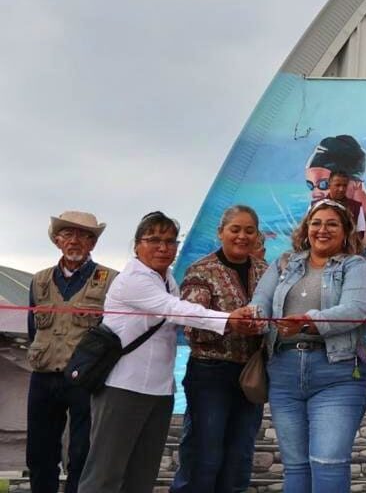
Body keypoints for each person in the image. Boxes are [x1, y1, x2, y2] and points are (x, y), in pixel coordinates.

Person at [80, 212, 246, 493]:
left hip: (159, 391)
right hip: (123, 388)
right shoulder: (133, 279)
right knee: (104, 474)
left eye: (170, 241)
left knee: (142, 475)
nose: (163, 247)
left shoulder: (168, 277)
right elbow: (176, 309)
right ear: (137, 245)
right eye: (154, 240)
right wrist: (228, 319)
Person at [239, 200, 366, 493]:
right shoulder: (285, 263)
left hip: (337, 375)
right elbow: (261, 300)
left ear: (346, 231)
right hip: (284, 374)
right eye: (316, 223)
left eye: (331, 224)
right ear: (306, 228)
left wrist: (307, 321)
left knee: (328, 463)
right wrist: (254, 317)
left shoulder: (355, 266)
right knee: (296, 466)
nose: (322, 230)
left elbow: (355, 309)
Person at [171, 206, 268, 493]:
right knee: (204, 456)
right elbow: (190, 323)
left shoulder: (267, 271)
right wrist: (230, 323)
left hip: (251, 377)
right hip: (210, 375)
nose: (242, 236)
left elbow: (275, 315)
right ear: (221, 232)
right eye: (235, 229)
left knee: (240, 458)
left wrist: (262, 327)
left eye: (249, 230)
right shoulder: (201, 271)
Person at [27, 211, 117, 493]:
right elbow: (33, 330)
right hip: (43, 377)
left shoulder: (110, 280)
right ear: (57, 240)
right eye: (68, 234)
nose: (75, 241)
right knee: (39, 452)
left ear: (93, 243)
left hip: (85, 380)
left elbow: (113, 334)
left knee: (82, 452)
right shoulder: (39, 280)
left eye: (84, 236)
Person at [304, 134, 366, 218]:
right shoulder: (319, 212)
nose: (314, 194)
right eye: (310, 185)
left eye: (324, 184)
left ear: (356, 182)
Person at [312, 170, 366, 241]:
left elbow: (360, 233)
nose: (341, 189)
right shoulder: (315, 205)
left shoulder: (356, 207)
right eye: (337, 185)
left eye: (344, 185)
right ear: (329, 185)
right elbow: (308, 229)